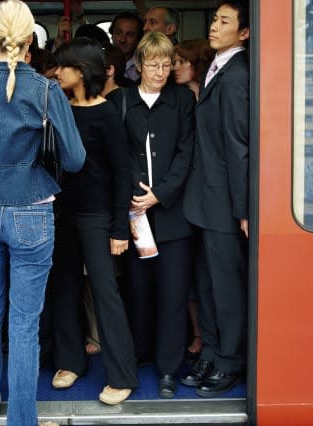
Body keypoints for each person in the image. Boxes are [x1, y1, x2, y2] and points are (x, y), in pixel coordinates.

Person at [0, 1, 85, 424]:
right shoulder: (45, 91)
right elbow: (77, 159)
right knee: (25, 323)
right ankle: (22, 419)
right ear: (31, 40)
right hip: (31, 210)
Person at [107, 31, 196, 399]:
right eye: (154, 64)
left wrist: (160, 194)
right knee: (139, 290)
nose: (161, 71)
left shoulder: (182, 101)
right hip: (134, 213)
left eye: (167, 64)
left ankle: (169, 369)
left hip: (172, 214)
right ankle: (141, 353)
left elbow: (186, 152)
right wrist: (135, 194)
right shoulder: (121, 100)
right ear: (139, 65)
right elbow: (116, 153)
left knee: (173, 293)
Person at [51, 37, 138, 405]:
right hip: (61, 213)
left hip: (98, 216)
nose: (57, 72)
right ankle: (70, 362)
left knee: (106, 292)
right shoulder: (60, 109)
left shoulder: (107, 113)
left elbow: (122, 173)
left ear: (83, 72)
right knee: (63, 288)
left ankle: (122, 374)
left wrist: (120, 228)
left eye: (64, 67)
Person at [181, 0, 250, 398]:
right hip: (205, 201)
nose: (214, 25)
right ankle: (210, 349)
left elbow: (238, 146)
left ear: (243, 33)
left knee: (226, 286)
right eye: (213, 18)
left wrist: (243, 209)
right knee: (205, 283)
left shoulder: (237, 75)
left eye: (224, 21)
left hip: (224, 204)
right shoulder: (216, 69)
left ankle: (230, 360)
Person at [172, 38, 214, 360]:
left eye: (181, 61)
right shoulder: (180, 100)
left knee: (209, 274)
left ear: (197, 63)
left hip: (209, 198)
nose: (174, 67)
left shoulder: (211, 98)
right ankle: (197, 334)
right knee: (188, 276)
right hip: (183, 198)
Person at [108, 11, 144, 83]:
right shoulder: (102, 60)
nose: (122, 39)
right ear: (112, 35)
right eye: (118, 33)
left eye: (130, 35)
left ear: (139, 39)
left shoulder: (144, 65)